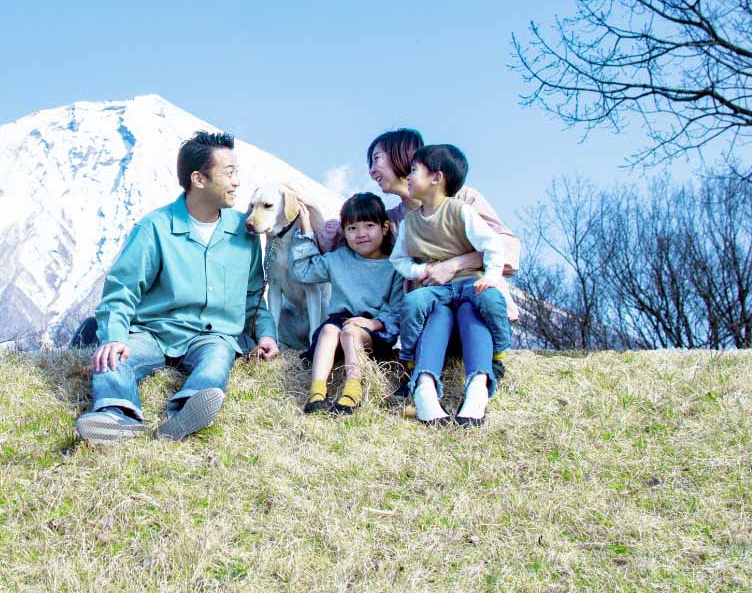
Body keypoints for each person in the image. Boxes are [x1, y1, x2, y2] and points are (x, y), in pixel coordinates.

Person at [76, 131, 280, 445]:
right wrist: (115, 337)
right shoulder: (153, 228)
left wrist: (265, 333)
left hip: (214, 335)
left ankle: (185, 414)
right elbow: (121, 292)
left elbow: (253, 296)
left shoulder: (245, 232)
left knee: (217, 359)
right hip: (154, 333)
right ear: (198, 179)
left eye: (236, 172)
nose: (237, 181)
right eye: (228, 173)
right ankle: (116, 416)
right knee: (113, 359)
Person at [317, 128, 522, 398]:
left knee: (466, 309)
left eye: (376, 159)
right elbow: (344, 249)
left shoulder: (462, 198)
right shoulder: (392, 222)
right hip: (427, 316)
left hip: (472, 303)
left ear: (401, 155)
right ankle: (422, 383)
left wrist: (455, 264)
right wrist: (319, 221)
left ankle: (480, 379)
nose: (371, 170)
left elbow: (507, 248)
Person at [390, 144, 511, 427]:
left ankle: (483, 379)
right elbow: (399, 259)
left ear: (436, 177)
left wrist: (491, 276)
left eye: (414, 170)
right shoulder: (410, 223)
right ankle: (420, 382)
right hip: (438, 290)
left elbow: (493, 244)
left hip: (468, 283)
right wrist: (423, 269)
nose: (407, 176)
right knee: (416, 304)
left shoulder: (460, 211)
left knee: (483, 304)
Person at [291, 193, 405, 415]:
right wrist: (305, 232)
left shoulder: (394, 266)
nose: (361, 234)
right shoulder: (338, 259)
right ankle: (316, 393)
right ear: (343, 231)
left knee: (351, 332)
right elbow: (304, 271)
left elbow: (397, 309)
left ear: (384, 227)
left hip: (374, 330)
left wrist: (374, 324)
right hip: (340, 322)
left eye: (369, 226)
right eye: (352, 228)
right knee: (328, 331)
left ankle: (352, 392)